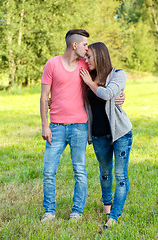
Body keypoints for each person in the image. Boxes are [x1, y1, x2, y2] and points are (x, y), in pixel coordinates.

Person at [40, 30, 125, 223]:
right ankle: (49, 211)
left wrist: (120, 95)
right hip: (56, 126)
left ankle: (77, 211)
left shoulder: (85, 66)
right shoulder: (52, 64)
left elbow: (108, 77)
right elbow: (44, 97)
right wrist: (45, 126)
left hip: (79, 126)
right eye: (85, 45)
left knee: (79, 170)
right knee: (48, 171)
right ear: (74, 45)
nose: (88, 49)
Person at [80, 42, 133, 228]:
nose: (86, 61)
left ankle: (114, 217)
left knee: (120, 175)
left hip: (120, 134)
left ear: (100, 56)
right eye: (86, 57)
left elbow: (107, 93)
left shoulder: (119, 74)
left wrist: (90, 83)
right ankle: (107, 206)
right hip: (98, 135)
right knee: (104, 172)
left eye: (89, 57)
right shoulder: (87, 76)